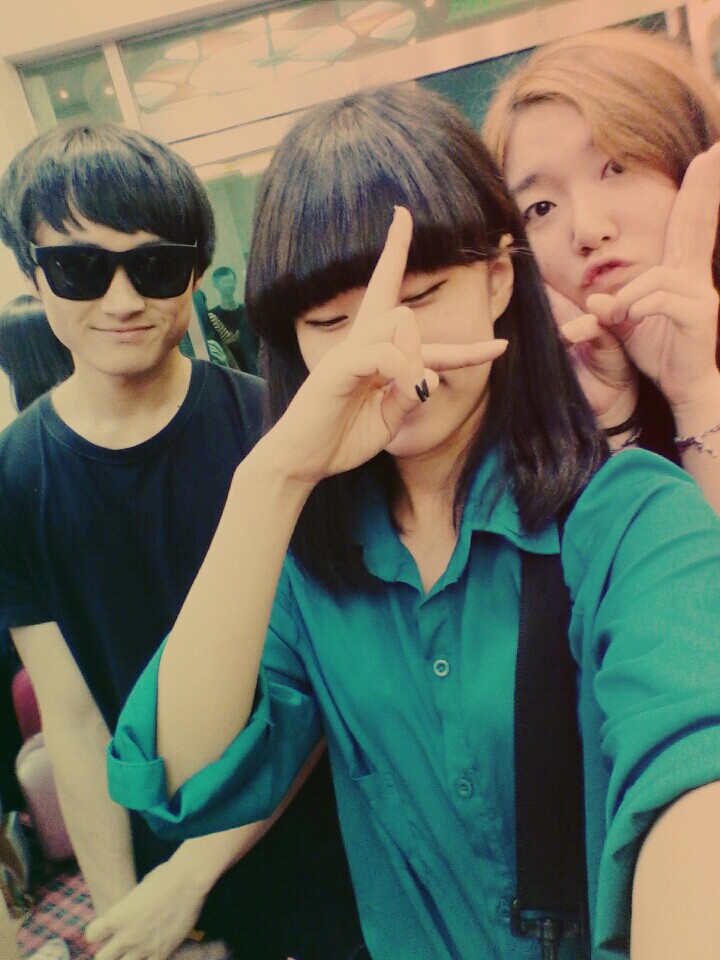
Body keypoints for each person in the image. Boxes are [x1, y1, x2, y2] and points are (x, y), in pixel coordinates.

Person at [107, 85, 720, 959]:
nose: (385, 351)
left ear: (499, 278)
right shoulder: (309, 572)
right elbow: (177, 775)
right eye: (333, 321)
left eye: (422, 294)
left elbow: (696, 755)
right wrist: (273, 478)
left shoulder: (628, 518)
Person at [0, 121, 360, 960]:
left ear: (196, 272)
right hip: (164, 863)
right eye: (80, 268)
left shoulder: (270, 427)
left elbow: (317, 683)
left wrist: (191, 875)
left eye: (156, 267)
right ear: (33, 272)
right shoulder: (16, 477)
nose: (122, 300)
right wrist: (126, 914)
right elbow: (74, 719)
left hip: (323, 842)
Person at [482, 27, 720, 511]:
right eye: (541, 208)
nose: (588, 230)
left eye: (617, 167)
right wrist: (614, 427)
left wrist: (697, 395)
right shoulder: (511, 439)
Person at [210, 267, 259, 374]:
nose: (229, 285)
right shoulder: (212, 317)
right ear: (216, 286)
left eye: (231, 281)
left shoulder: (248, 311)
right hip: (231, 372)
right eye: (225, 282)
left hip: (256, 369)